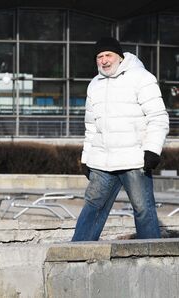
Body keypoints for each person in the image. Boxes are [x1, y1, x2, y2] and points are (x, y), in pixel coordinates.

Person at [72, 37, 169, 241]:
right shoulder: (94, 85)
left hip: (133, 159)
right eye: (100, 56)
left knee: (143, 209)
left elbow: (158, 117)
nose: (104, 60)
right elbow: (91, 127)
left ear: (120, 56)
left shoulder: (142, 78)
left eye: (108, 55)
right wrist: (86, 158)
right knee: (92, 207)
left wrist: (152, 149)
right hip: (102, 161)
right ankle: (75, 253)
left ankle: (150, 258)